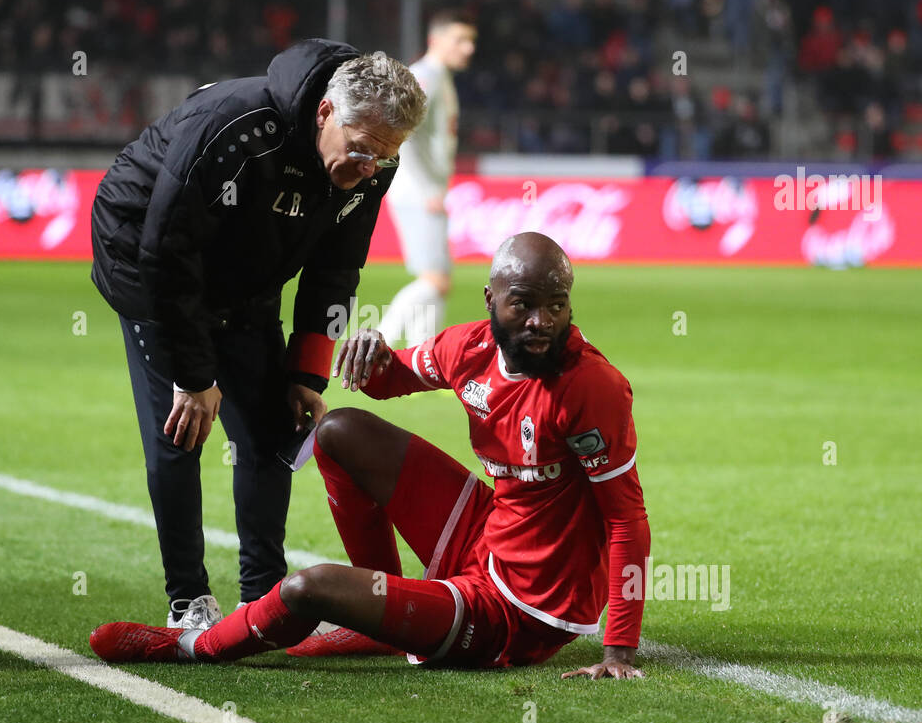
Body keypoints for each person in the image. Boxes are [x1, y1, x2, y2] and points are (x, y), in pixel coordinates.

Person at [89, 233, 652, 679]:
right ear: (491, 302)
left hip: (521, 608)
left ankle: (192, 645)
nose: (542, 322)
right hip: (489, 532)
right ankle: (385, 618)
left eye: (557, 306)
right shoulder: (471, 347)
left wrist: (620, 649)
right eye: (524, 305)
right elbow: (389, 378)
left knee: (310, 589)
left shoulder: (591, 388)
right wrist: (370, 353)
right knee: (336, 430)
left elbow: (626, 517)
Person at [90, 40, 426, 632]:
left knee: (276, 430)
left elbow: (337, 269)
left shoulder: (377, 159)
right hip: (144, 259)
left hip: (246, 272)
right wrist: (194, 377)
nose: (369, 169)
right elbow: (167, 251)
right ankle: (188, 600)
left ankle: (263, 599)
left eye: (384, 157)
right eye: (360, 151)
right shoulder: (233, 128)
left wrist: (306, 373)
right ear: (325, 113)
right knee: (181, 431)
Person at [376, 11, 476, 348]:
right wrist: (426, 188)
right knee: (436, 280)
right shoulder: (425, 77)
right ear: (435, 40)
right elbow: (406, 134)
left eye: (470, 41)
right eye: (460, 40)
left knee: (436, 278)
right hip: (418, 190)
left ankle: (424, 353)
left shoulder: (439, 77)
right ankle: (378, 341)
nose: (468, 48)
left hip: (426, 189)